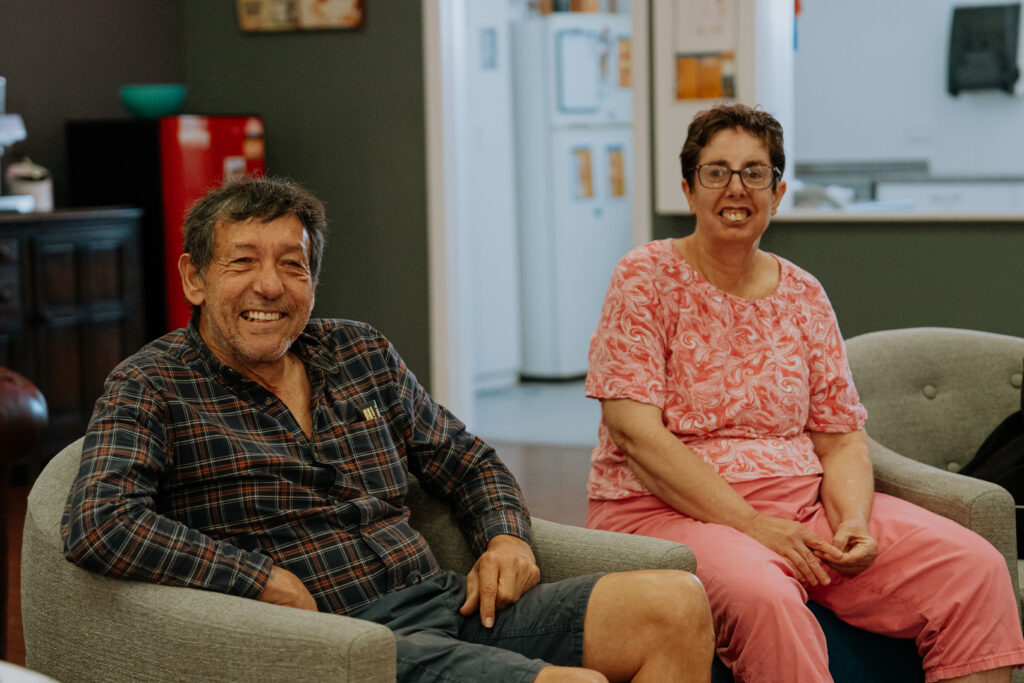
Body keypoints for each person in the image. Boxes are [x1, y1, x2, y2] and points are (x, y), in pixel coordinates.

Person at [61, 176, 714, 683]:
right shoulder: (151, 384)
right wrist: (257, 578)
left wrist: (506, 536)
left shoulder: (359, 352)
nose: (270, 286)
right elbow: (100, 520)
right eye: (242, 262)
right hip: (335, 643)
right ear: (194, 278)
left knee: (678, 605)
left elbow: (466, 459)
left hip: (445, 604)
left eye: (292, 265)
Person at [584, 102, 1024, 683]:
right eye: (716, 172)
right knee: (764, 598)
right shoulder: (645, 276)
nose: (736, 188)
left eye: (754, 172)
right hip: (665, 510)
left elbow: (841, 438)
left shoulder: (804, 293)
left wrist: (853, 521)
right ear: (689, 190)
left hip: (801, 507)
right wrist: (749, 523)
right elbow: (635, 433)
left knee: (975, 568)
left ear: (778, 193)